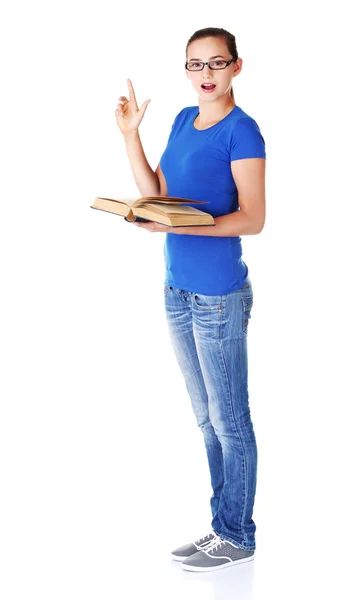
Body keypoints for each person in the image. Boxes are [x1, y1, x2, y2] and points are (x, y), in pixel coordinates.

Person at [115, 27, 266, 573]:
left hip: (218, 297)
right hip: (176, 289)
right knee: (206, 420)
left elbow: (253, 218)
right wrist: (132, 135)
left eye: (216, 64)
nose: (205, 75)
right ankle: (220, 528)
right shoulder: (182, 120)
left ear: (236, 67)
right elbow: (157, 195)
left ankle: (237, 534)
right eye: (195, 65)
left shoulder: (242, 132)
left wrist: (179, 227)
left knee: (231, 421)